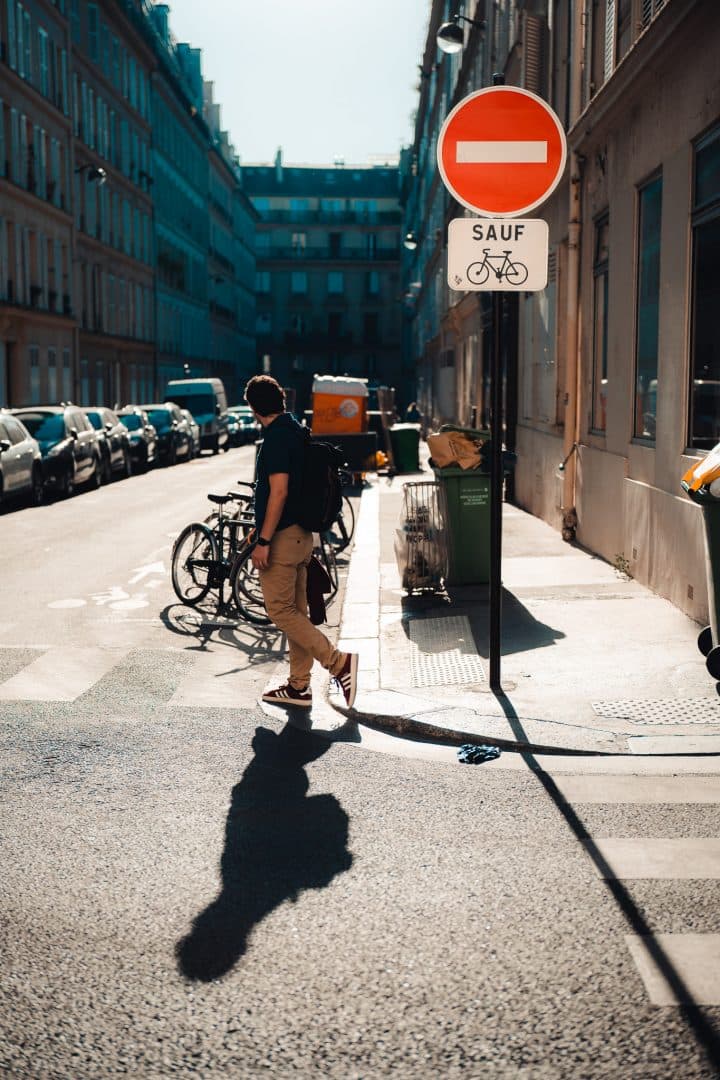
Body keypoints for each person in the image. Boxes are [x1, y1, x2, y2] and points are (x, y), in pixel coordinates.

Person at [245, 374, 358, 710]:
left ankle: (338, 663)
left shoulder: (276, 440)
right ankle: (299, 687)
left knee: (280, 611)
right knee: (297, 613)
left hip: (282, 539)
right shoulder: (295, 430)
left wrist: (264, 539)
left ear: (254, 407)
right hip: (301, 538)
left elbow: (279, 492)